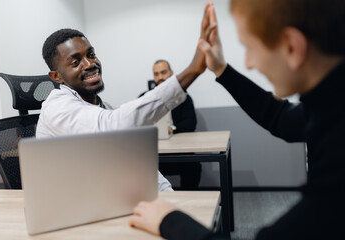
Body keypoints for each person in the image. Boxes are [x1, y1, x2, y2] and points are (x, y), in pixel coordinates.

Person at [129, 1, 345, 239]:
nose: (249, 63)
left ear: (292, 47)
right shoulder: (329, 108)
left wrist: (170, 220)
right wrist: (221, 69)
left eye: (249, 48)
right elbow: (279, 117)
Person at [37, 28, 207, 192]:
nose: (90, 64)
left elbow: (140, 163)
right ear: (56, 76)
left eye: (91, 55)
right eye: (76, 62)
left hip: (107, 198)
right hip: (72, 209)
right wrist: (191, 72)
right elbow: (112, 126)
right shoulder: (56, 108)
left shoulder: (105, 108)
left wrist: (170, 197)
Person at [139, 59, 201, 189]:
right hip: (153, 155)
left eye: (163, 72)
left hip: (178, 153)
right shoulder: (145, 98)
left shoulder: (182, 97)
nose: (160, 77)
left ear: (171, 73)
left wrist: (172, 129)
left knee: (193, 166)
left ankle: (188, 203)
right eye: (156, 74)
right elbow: (136, 124)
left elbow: (191, 123)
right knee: (137, 166)